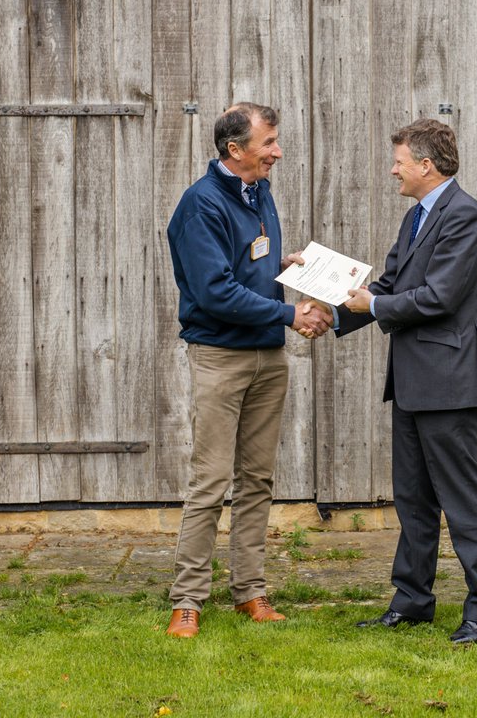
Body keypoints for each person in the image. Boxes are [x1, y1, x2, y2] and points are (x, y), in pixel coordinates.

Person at [164, 102, 331, 638]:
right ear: (234, 150)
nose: (277, 152)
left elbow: (243, 264)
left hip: (267, 356)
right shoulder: (200, 205)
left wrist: (281, 265)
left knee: (257, 479)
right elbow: (214, 292)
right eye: (268, 144)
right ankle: (187, 599)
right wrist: (290, 313)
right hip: (220, 357)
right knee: (210, 482)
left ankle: (250, 593)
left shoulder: (258, 191)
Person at [334, 118, 477, 645]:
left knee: (462, 501)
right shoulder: (415, 218)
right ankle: (412, 602)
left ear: (426, 165)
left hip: (448, 382)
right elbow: (386, 285)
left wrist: (375, 304)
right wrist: (326, 296)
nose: (394, 170)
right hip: (409, 381)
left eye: (400, 162)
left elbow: (440, 297)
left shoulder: (465, 216)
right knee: (412, 500)